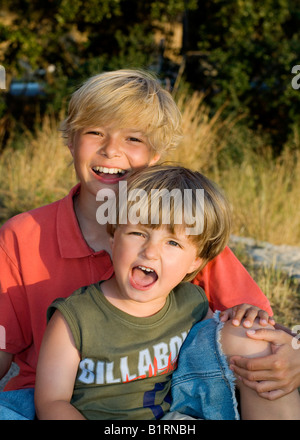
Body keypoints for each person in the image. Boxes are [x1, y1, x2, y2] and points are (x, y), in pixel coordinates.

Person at [0, 69, 299, 420]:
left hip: (167, 393)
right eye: (95, 132)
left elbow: (255, 326)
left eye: (133, 139)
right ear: (70, 141)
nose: (111, 149)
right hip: (49, 398)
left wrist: (293, 354)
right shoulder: (24, 234)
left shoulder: (184, 230)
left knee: (260, 350)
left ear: (155, 154)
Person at [34, 165, 300, 420]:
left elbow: (217, 349)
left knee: (253, 341)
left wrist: (240, 315)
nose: (150, 251)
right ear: (113, 240)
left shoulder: (191, 303)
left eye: (172, 242)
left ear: (195, 261)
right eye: (138, 233)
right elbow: (52, 401)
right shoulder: (74, 317)